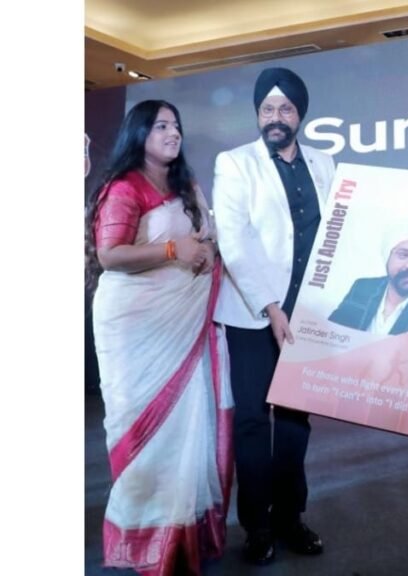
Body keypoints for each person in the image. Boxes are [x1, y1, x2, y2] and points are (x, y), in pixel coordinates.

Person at [86, 99, 230, 575]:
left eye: (176, 125)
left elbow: (205, 238)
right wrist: (173, 249)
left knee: (187, 428)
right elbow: (110, 254)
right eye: (161, 126)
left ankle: (182, 537)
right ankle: (147, 538)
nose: (173, 133)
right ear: (139, 134)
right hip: (136, 325)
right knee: (146, 431)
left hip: (183, 325)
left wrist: (205, 250)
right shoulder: (125, 186)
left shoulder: (186, 185)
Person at [212, 67, 336, 565]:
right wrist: (270, 306)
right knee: (251, 421)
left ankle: (290, 518)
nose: (276, 117)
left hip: (308, 313)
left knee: (294, 420)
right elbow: (235, 241)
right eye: (267, 109)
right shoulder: (234, 163)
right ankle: (257, 527)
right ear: (257, 114)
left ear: (300, 115)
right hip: (252, 315)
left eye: (285, 109)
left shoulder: (324, 162)